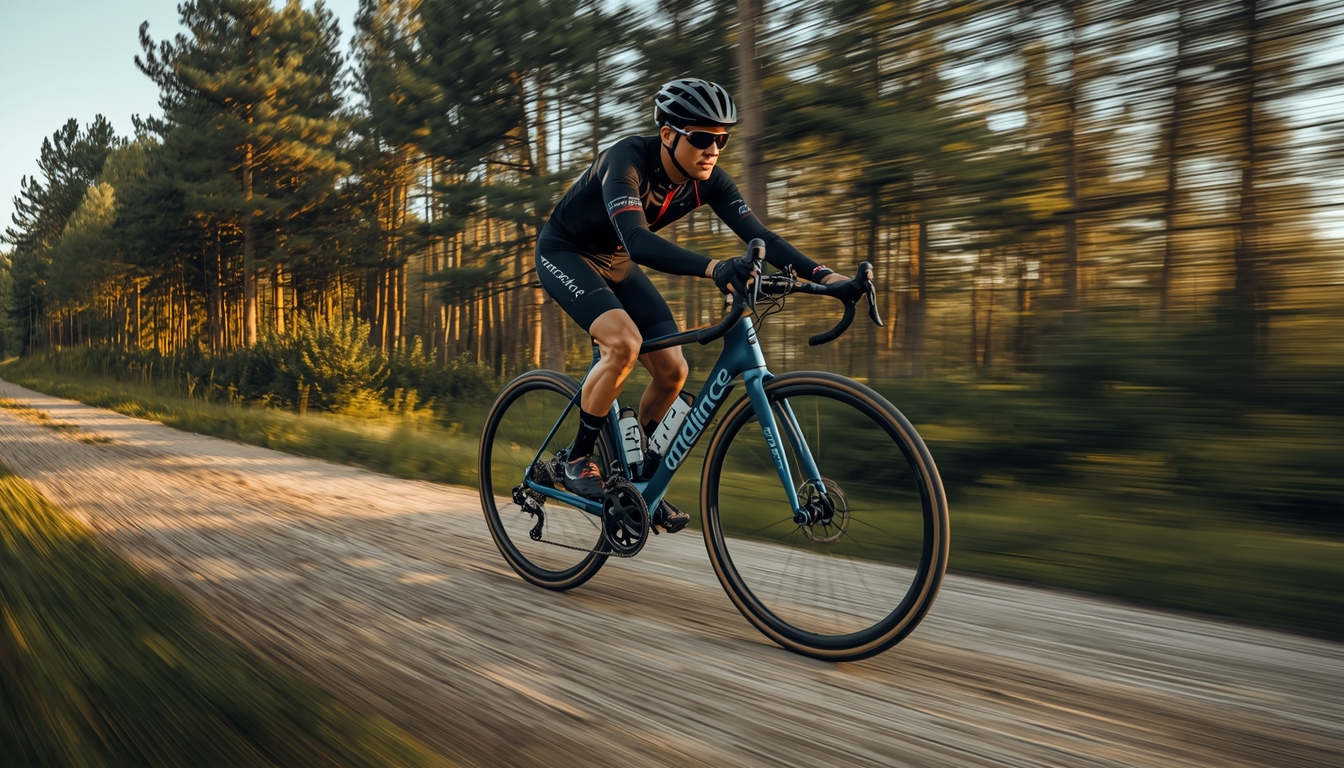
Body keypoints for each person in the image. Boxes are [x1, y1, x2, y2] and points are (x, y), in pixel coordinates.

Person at [534, 77, 864, 532]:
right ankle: (577, 461)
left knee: (674, 370)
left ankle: (635, 480)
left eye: (722, 140)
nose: (714, 149)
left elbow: (762, 237)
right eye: (703, 138)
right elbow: (637, 239)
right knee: (624, 344)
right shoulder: (625, 160)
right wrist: (714, 268)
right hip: (566, 252)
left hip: (617, 261)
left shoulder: (709, 181)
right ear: (668, 134)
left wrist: (830, 279)